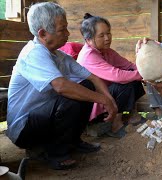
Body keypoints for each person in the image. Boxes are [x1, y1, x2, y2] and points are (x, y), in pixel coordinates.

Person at [6, 2, 117, 170]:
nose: (67, 33)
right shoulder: (34, 53)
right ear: (43, 33)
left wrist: (110, 101)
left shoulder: (59, 55)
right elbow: (61, 86)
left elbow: (92, 78)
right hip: (24, 129)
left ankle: (73, 142)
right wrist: (102, 100)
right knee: (69, 98)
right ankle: (54, 153)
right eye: (62, 29)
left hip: (45, 117)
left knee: (85, 86)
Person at [77, 13, 146, 138]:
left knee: (133, 78)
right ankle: (115, 125)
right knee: (126, 82)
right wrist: (141, 75)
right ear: (89, 39)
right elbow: (117, 76)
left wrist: (144, 73)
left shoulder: (107, 51)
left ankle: (130, 116)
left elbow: (128, 65)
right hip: (93, 105)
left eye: (108, 33)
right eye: (101, 35)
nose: (107, 38)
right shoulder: (88, 56)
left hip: (107, 97)